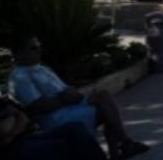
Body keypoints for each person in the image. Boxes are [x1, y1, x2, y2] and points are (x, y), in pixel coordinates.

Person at [8, 35, 149, 160]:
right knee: (105, 109)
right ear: (19, 53)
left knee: (104, 96)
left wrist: (72, 94)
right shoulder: (20, 77)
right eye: (33, 48)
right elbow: (38, 106)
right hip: (55, 116)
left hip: (69, 105)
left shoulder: (41, 68)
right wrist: (64, 99)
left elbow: (63, 89)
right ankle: (122, 146)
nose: (39, 50)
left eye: (39, 46)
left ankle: (121, 148)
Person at [0, 60, 108, 160]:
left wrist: (10, 132)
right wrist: (11, 118)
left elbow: (23, 117)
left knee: (76, 129)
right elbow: (1, 129)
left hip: (22, 140)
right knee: (64, 147)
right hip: (8, 153)